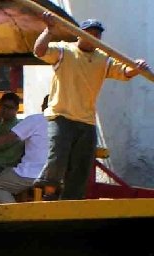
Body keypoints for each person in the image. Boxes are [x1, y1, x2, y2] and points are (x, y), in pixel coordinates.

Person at [33, 14, 150, 200]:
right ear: (79, 34)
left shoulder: (102, 59)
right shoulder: (64, 50)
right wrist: (49, 30)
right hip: (61, 115)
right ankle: (50, 193)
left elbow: (124, 72)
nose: (93, 38)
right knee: (58, 156)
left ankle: (72, 201)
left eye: (97, 35)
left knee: (82, 165)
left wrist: (137, 68)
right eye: (89, 33)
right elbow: (39, 51)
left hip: (86, 120)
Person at [0, 95, 50, 203]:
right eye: (4, 107)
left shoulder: (35, 119)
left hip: (31, 173)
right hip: (57, 174)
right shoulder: (66, 125)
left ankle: (16, 215)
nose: (5, 110)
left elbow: (8, 138)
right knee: (3, 173)